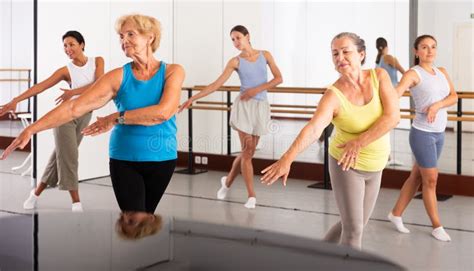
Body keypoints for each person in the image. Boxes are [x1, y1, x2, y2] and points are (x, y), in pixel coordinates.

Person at [0, 14, 184, 214]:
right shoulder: (116, 77)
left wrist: (115, 117)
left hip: (163, 158)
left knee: (146, 219)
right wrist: (30, 129)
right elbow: (73, 107)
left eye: (130, 34)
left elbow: (163, 113)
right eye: (121, 36)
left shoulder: (173, 71)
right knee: (134, 219)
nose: (124, 40)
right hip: (125, 159)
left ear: (150, 37)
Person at [261, 32, 399, 249]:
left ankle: (319, 257)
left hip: (376, 165)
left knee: (357, 223)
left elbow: (393, 117)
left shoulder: (379, 77)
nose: (340, 57)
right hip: (347, 165)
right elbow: (314, 128)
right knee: (354, 231)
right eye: (335, 53)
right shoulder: (333, 95)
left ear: (361, 54)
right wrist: (287, 159)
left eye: (346, 51)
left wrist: (359, 142)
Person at [179, 25, 282, 209]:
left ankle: (226, 182)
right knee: (247, 153)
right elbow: (216, 84)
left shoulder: (265, 55)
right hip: (243, 107)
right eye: (232, 40)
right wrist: (192, 98)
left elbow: (278, 78)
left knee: (247, 153)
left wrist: (255, 90)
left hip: (260, 106)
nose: (235, 42)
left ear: (247, 36)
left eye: (238, 38)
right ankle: (251, 196)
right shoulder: (235, 62)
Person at [0, 31, 104, 212]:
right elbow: (41, 86)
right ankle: (76, 202)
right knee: (69, 157)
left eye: (71, 44)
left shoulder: (98, 61)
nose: (68, 49)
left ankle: (35, 193)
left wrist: (73, 92)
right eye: (65, 45)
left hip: (84, 116)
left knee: (60, 157)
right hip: (65, 118)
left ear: (82, 44)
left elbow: (100, 85)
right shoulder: (66, 70)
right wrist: (16, 100)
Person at [388, 35, 457, 242]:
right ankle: (437, 226)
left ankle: (395, 214)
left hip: (439, 133)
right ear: (416, 51)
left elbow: (454, 96)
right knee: (431, 179)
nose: (430, 51)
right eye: (424, 47)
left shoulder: (442, 72)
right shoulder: (413, 73)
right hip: (422, 134)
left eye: (433, 47)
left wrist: (436, 105)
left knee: (417, 176)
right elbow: (396, 92)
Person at [375, 37, 406, 167]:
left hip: (382, 93)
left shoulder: (378, 60)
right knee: (389, 123)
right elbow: (404, 71)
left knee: (385, 123)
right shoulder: (388, 58)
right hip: (391, 93)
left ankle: (386, 155)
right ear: (386, 45)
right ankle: (387, 156)